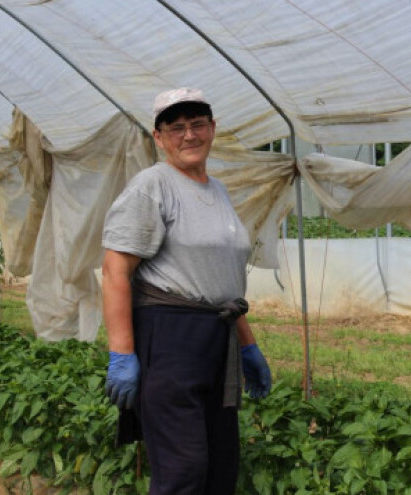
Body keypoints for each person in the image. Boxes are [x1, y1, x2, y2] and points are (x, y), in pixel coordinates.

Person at [101, 87, 272, 494]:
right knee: (184, 470)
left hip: (218, 337)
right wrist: (122, 353)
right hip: (171, 338)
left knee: (220, 466)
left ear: (213, 129)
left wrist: (247, 345)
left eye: (197, 125)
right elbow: (115, 271)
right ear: (158, 138)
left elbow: (221, 281)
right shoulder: (153, 186)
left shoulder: (219, 191)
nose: (189, 135)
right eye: (176, 128)